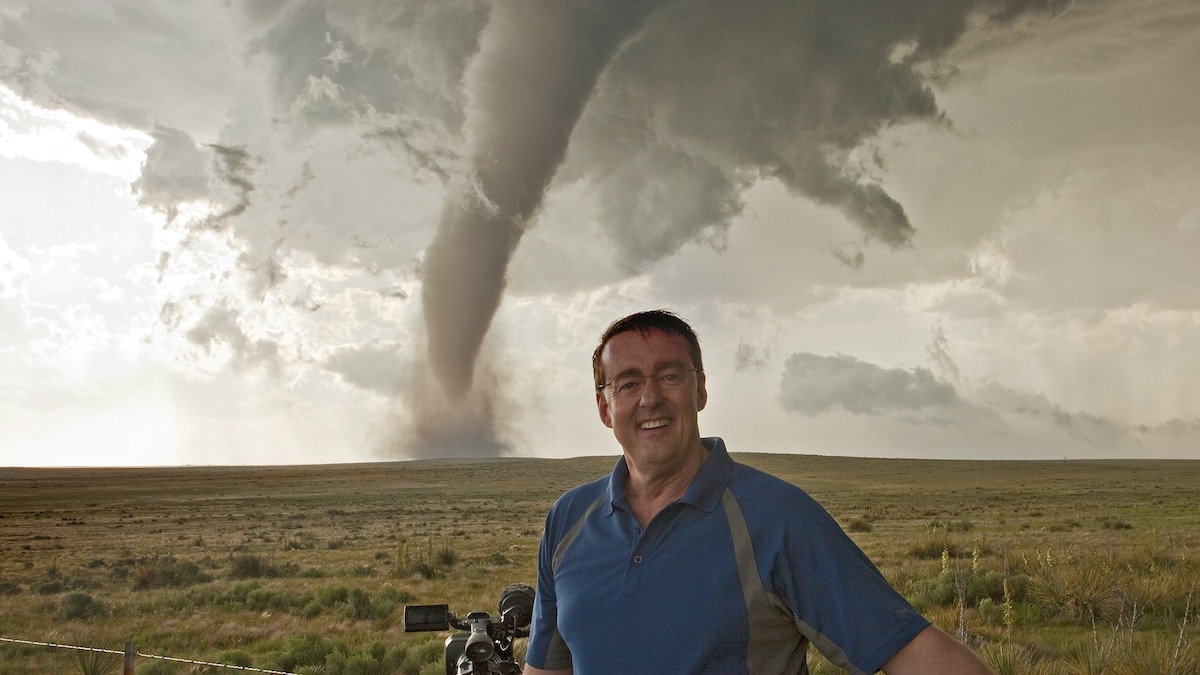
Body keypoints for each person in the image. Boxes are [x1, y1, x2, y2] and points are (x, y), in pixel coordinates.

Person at [522, 310, 996, 675]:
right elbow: (547, 668)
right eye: (628, 383)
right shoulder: (569, 520)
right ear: (605, 407)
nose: (650, 398)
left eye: (670, 376)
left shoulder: (777, 517)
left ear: (700, 390)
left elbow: (912, 650)